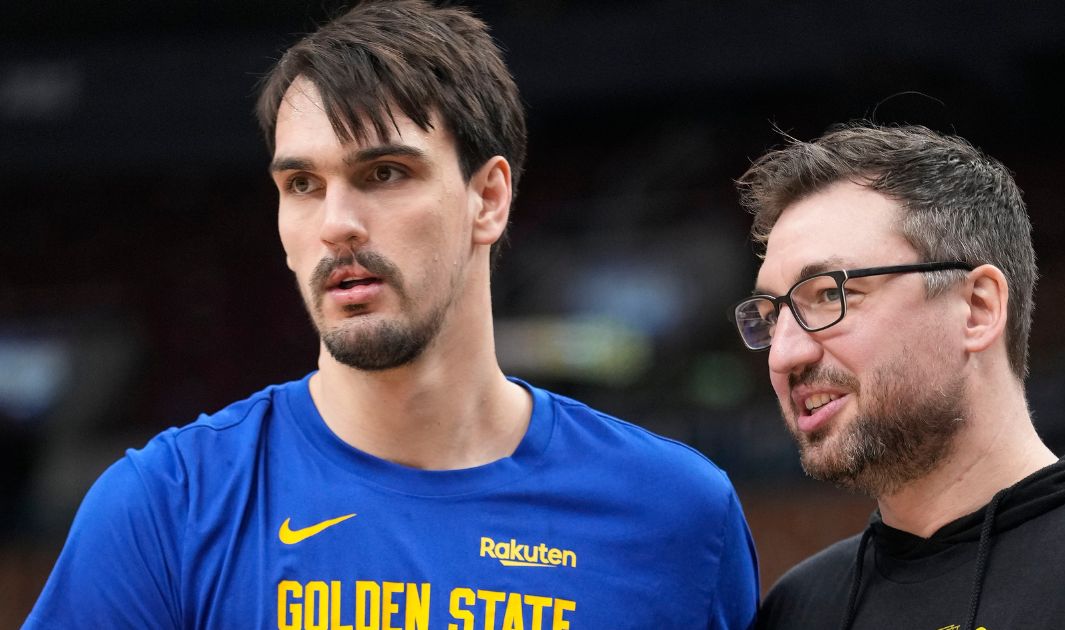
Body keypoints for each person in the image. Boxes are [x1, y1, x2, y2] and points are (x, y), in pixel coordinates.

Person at [24, 2, 759, 628]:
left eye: (384, 173)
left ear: (488, 198)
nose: (336, 223)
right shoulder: (167, 508)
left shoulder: (675, 515)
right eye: (302, 184)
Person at [729, 122, 1065, 629]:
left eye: (829, 294)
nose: (783, 354)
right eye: (772, 314)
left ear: (977, 308)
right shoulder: (798, 609)